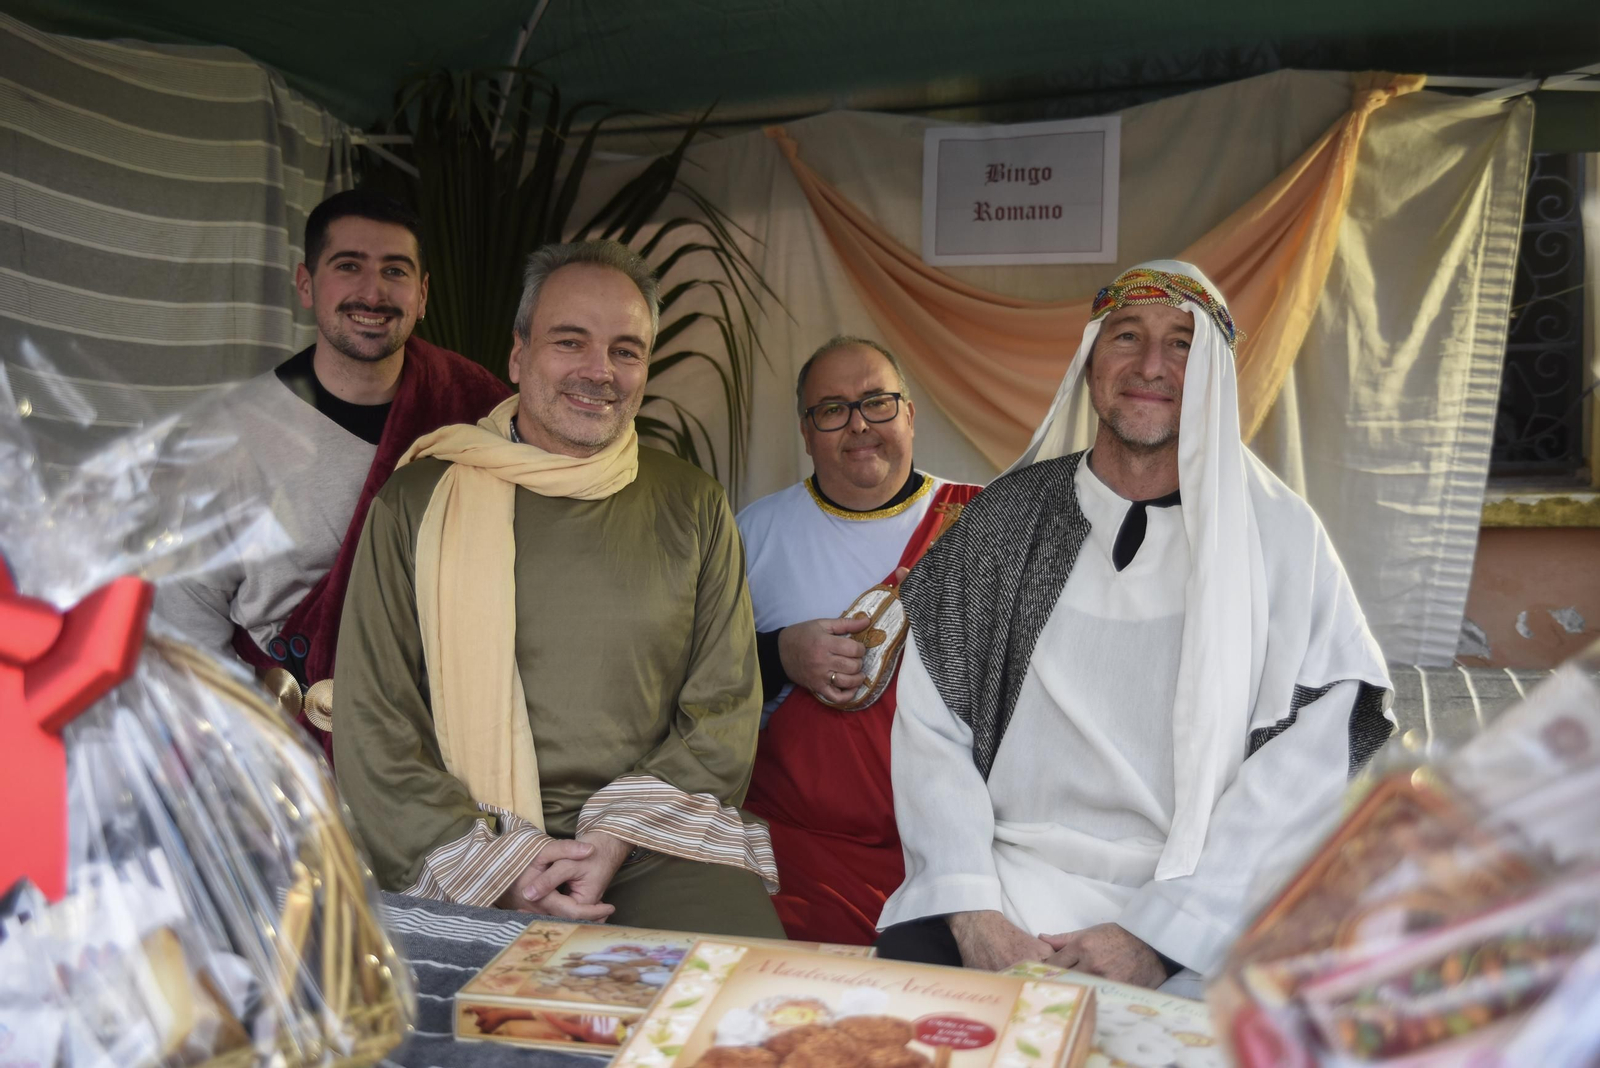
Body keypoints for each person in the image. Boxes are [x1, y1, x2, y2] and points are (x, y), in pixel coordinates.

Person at [875, 262, 1393, 992]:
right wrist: (971, 910)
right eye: (1128, 336)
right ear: (1091, 363)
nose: (1151, 366)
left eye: (1182, 344)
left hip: (1195, 902)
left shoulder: (1282, 540)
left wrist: (1163, 935)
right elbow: (931, 734)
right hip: (1001, 877)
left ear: (1215, 371)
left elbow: (1308, 762)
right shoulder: (1006, 520)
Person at [332, 240, 782, 937]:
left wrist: (612, 837)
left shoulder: (691, 502)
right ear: (518, 356)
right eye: (570, 341)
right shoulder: (417, 501)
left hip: (654, 836)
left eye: (626, 351)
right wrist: (506, 870)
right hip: (463, 842)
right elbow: (375, 718)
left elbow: (724, 708)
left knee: (728, 1021)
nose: (599, 372)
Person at [151, 189, 508, 757]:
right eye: (349, 267)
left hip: (449, 742)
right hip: (291, 746)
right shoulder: (222, 440)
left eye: (395, 270)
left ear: (422, 295)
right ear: (306, 284)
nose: (373, 292)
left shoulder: (480, 408)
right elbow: (183, 622)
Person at [736, 337, 979, 945]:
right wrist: (782, 654)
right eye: (833, 409)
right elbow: (700, 684)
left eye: (877, 402)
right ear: (806, 429)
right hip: (797, 849)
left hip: (954, 849)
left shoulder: (982, 522)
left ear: (910, 413)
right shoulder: (752, 533)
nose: (859, 425)